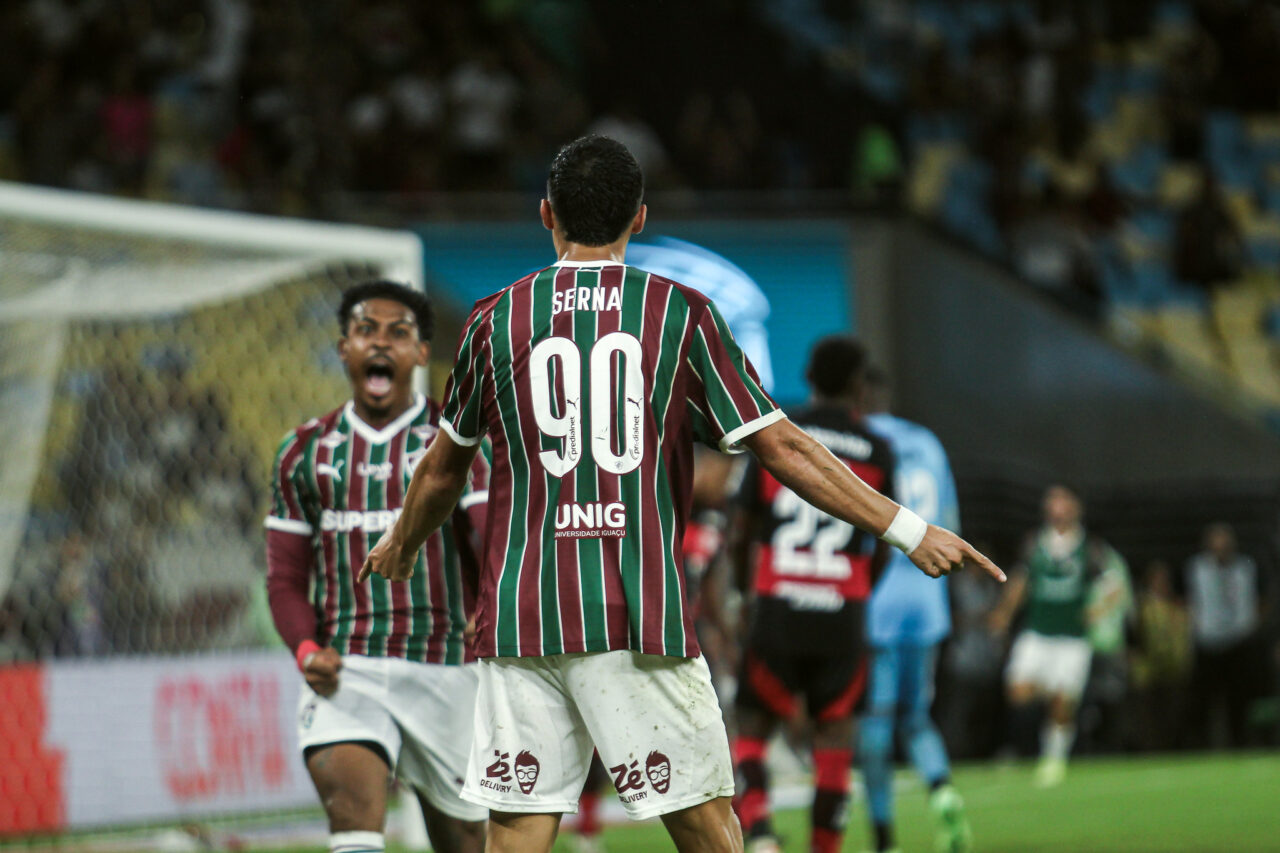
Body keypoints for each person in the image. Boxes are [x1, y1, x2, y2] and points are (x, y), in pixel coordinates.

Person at [359, 135, 1003, 853]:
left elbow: (444, 469)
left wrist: (400, 541)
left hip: (520, 616)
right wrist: (910, 530)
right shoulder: (679, 314)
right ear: (639, 218)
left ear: (547, 215)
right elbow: (781, 446)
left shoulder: (490, 320)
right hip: (636, 615)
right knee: (706, 826)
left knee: (514, 833)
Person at [265, 281, 488, 853]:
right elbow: (286, 577)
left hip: (447, 667)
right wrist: (305, 649)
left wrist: (490, 604)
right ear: (345, 349)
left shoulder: (457, 442)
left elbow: (490, 538)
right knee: (355, 825)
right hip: (349, 668)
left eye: (399, 333)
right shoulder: (304, 451)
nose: (381, 344)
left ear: (420, 353)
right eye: (367, 330)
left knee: (465, 839)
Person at [725, 336, 893, 853]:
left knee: (751, 724)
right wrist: (858, 591)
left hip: (779, 604)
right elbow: (884, 535)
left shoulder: (783, 437)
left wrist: (741, 592)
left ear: (810, 378)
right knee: (834, 742)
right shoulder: (878, 449)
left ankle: (761, 833)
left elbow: (741, 529)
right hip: (842, 611)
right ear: (858, 384)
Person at [860, 368, 972, 853]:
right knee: (918, 717)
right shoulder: (926, 441)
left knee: (876, 720)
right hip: (927, 598)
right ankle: (941, 788)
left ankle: (885, 837)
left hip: (876, 598)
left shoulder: (855, 441)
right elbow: (949, 524)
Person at [989, 484, 1125, 787]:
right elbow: (1021, 581)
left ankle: (1054, 758)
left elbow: (1114, 585)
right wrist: (1004, 613)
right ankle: (1057, 694)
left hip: (1072, 637)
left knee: (1063, 707)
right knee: (1018, 692)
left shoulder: (1090, 547)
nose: (1056, 507)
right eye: (1052, 500)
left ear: (1075, 507)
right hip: (1038, 631)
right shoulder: (1035, 543)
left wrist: (1098, 609)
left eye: (1063, 500)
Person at [1185, 522, 1270, 748]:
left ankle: (1240, 743)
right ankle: (1200, 746)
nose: (1220, 546)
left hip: (1239, 642)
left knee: (1239, 699)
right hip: (1208, 642)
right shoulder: (1197, 567)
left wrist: (1250, 624)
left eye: (1224, 541)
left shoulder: (1246, 567)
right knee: (1203, 700)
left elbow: (1262, 599)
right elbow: (1187, 600)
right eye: (1216, 540)